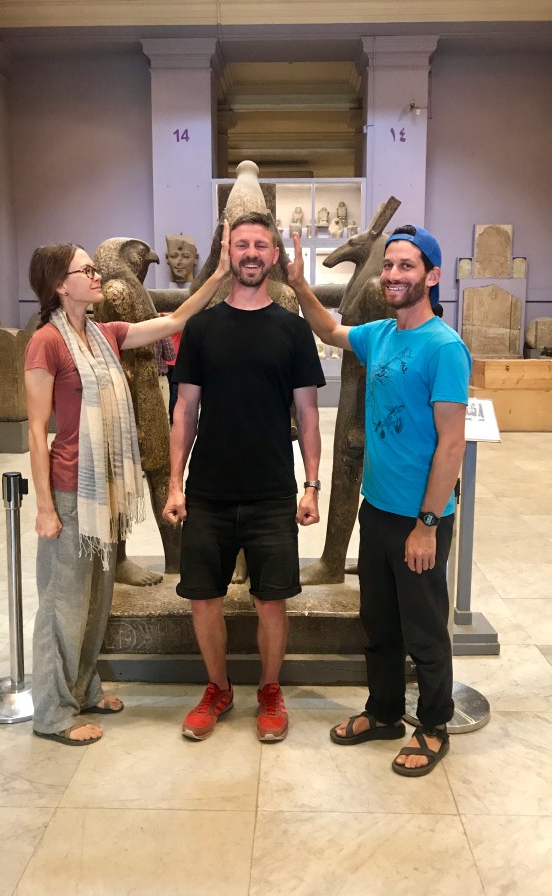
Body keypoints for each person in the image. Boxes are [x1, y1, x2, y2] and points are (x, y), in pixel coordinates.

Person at [25, 224, 230, 746]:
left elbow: (176, 319)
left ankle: (84, 689)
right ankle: (53, 712)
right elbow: (36, 429)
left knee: (96, 602)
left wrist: (219, 273)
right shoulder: (46, 343)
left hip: (104, 492)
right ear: (60, 285)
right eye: (86, 270)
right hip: (71, 490)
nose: (96, 277)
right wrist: (45, 507)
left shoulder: (105, 334)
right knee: (63, 605)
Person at [286, 223, 471, 777]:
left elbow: (452, 444)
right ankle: (385, 712)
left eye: (406, 265)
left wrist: (427, 524)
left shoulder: (444, 348)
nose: (392, 274)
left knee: (424, 630)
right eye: (389, 264)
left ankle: (433, 725)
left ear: (432, 276)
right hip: (379, 509)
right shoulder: (381, 334)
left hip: (420, 518)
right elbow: (330, 329)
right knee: (380, 624)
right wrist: (299, 285)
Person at [162, 211, 325, 743]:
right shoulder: (202, 328)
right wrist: (175, 484)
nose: (251, 252)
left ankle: (270, 690)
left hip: (271, 490)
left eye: (260, 244)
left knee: (271, 600)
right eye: (242, 244)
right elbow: (185, 410)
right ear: (228, 253)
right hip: (208, 490)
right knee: (203, 597)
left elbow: (308, 415)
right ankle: (218, 687)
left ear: (274, 255)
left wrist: (312, 485)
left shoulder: (293, 329)